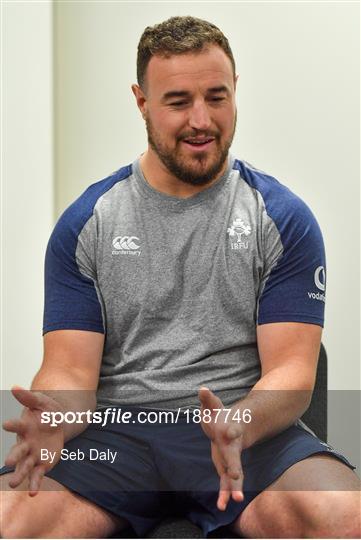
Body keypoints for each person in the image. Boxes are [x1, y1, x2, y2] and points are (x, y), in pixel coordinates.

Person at [1, 15, 360, 539]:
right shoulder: (88, 224)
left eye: (216, 97)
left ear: (236, 90)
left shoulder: (281, 218)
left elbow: (292, 374)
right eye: (177, 102)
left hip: (242, 433)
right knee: (11, 521)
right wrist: (55, 415)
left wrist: (241, 422)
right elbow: (70, 373)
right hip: (118, 436)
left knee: (345, 517)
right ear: (142, 102)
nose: (201, 119)